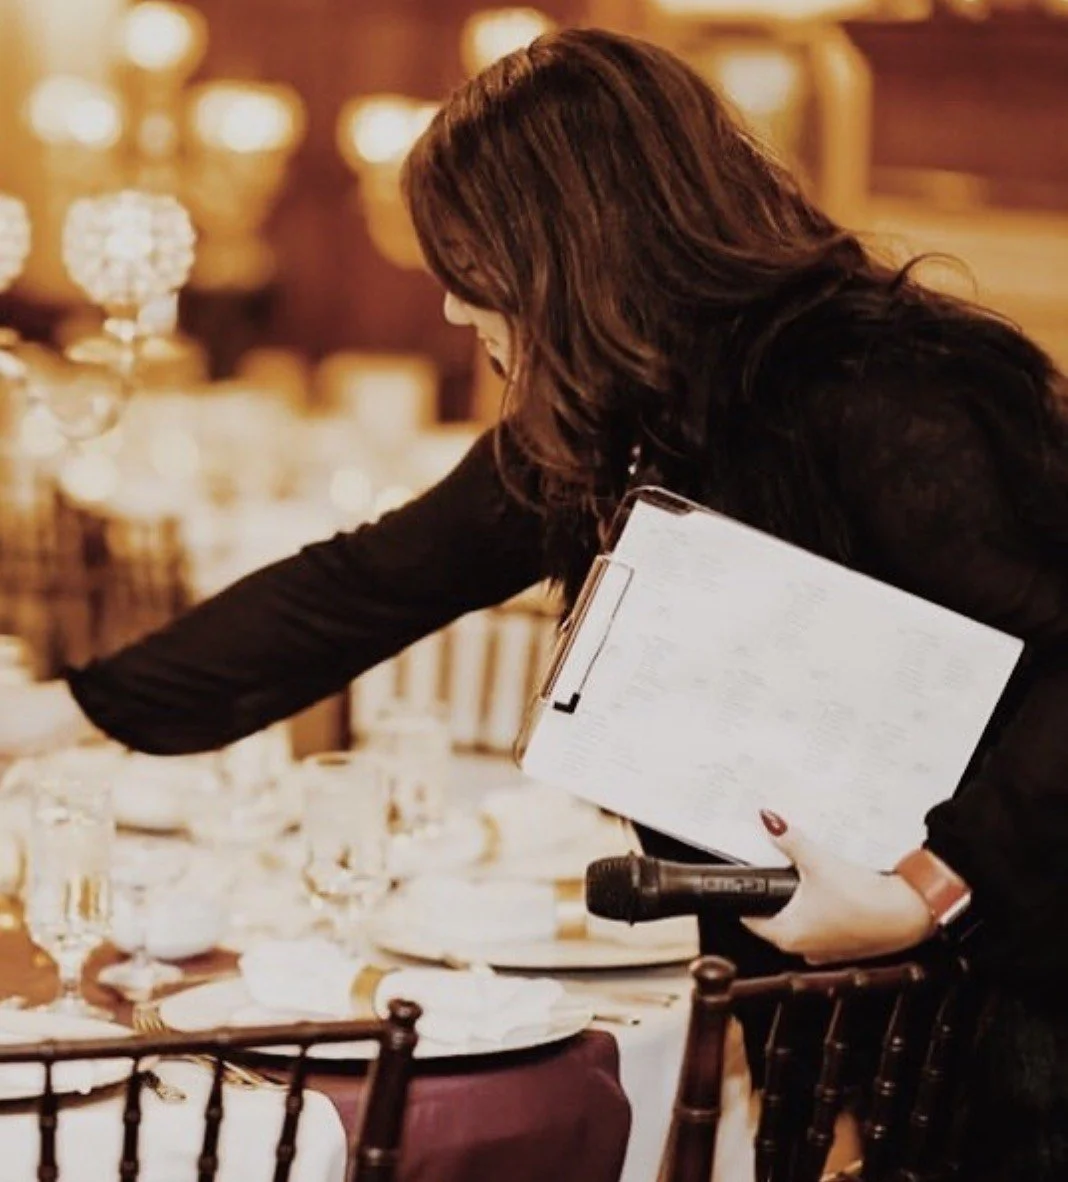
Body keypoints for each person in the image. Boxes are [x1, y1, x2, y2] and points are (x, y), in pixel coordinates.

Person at [2, 26, 1066, 1177]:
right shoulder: (625, 413)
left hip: (1005, 997)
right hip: (820, 984)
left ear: (573, 243)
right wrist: (64, 712)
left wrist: (924, 891)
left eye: (471, 265)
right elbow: (365, 584)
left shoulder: (896, 383)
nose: (457, 309)